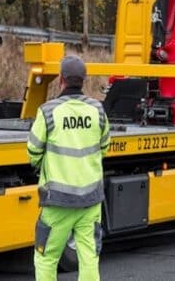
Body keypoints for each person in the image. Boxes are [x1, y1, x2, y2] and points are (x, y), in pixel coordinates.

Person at [27, 54, 110, 281]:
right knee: (89, 258)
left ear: (61, 79)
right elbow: (104, 147)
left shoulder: (48, 111)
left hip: (57, 202)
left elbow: (33, 152)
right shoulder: (97, 110)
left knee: (46, 258)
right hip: (90, 201)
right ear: (83, 80)